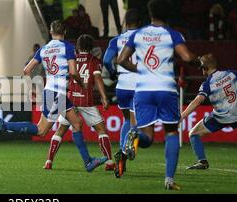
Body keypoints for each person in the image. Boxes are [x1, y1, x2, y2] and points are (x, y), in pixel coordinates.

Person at [0, 21, 107, 172]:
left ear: (51, 32)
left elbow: (26, 70)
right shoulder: (68, 47)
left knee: (77, 124)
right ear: (64, 31)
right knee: (41, 130)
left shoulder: (43, 49)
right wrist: (82, 84)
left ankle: (88, 161)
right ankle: (4, 125)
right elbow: (73, 72)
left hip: (53, 92)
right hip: (57, 94)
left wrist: (32, 87)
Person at [117, 0, 203, 190]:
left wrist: (139, 69)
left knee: (147, 137)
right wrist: (201, 63)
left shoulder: (139, 34)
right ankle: (169, 180)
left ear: (150, 14)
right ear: (168, 14)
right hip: (166, 89)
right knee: (171, 132)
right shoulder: (173, 34)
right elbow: (187, 57)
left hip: (143, 90)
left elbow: (121, 59)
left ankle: (135, 134)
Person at [44, 34, 114, 171]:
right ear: (91, 47)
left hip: (70, 100)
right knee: (101, 130)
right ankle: (110, 162)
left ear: (78, 46)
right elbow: (98, 79)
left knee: (61, 130)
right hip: (86, 101)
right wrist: (104, 97)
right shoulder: (94, 60)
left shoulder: (71, 59)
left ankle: (48, 161)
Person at [180, 54, 237, 170]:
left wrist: (181, 116)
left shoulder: (207, 84)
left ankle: (202, 162)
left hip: (221, 117)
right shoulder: (232, 73)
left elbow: (196, 102)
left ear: (204, 68)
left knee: (193, 134)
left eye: (201, 68)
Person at [103, 9, 140, 177]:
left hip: (122, 84)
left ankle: (121, 154)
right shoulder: (143, 38)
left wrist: (112, 72)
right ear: (139, 23)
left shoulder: (116, 40)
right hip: (139, 83)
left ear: (125, 24)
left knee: (127, 119)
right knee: (137, 123)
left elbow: (105, 60)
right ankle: (126, 152)